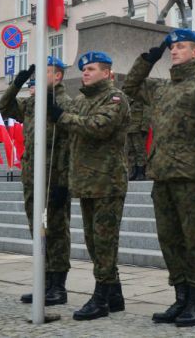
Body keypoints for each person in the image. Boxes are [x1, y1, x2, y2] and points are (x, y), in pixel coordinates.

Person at [124, 29, 195, 328]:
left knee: (193, 241)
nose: (174, 51)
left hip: (191, 178)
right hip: (162, 177)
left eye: (181, 46)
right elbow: (129, 87)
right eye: (172, 47)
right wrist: (147, 60)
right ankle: (180, 297)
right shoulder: (162, 89)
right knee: (169, 240)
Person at [48, 51, 129, 321]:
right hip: (85, 182)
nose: (85, 72)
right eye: (84, 69)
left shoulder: (115, 98)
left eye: (92, 69)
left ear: (106, 73)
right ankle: (114, 294)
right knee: (95, 243)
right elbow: (67, 130)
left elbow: (98, 127)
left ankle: (101, 297)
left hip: (107, 180)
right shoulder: (81, 99)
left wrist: (62, 116)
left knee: (104, 242)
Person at [0, 57, 73, 307]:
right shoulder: (32, 103)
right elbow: (4, 108)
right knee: (38, 232)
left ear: (58, 76)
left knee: (56, 232)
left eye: (45, 73)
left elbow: (68, 146)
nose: (38, 78)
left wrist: (64, 183)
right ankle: (44, 283)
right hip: (32, 177)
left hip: (54, 178)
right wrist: (16, 84)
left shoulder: (64, 103)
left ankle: (58, 287)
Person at [125, 96, 149, 181]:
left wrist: (144, 127)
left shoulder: (142, 95)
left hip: (138, 128)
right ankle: (133, 171)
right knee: (130, 151)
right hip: (128, 127)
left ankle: (141, 172)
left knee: (140, 151)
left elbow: (147, 112)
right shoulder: (127, 96)